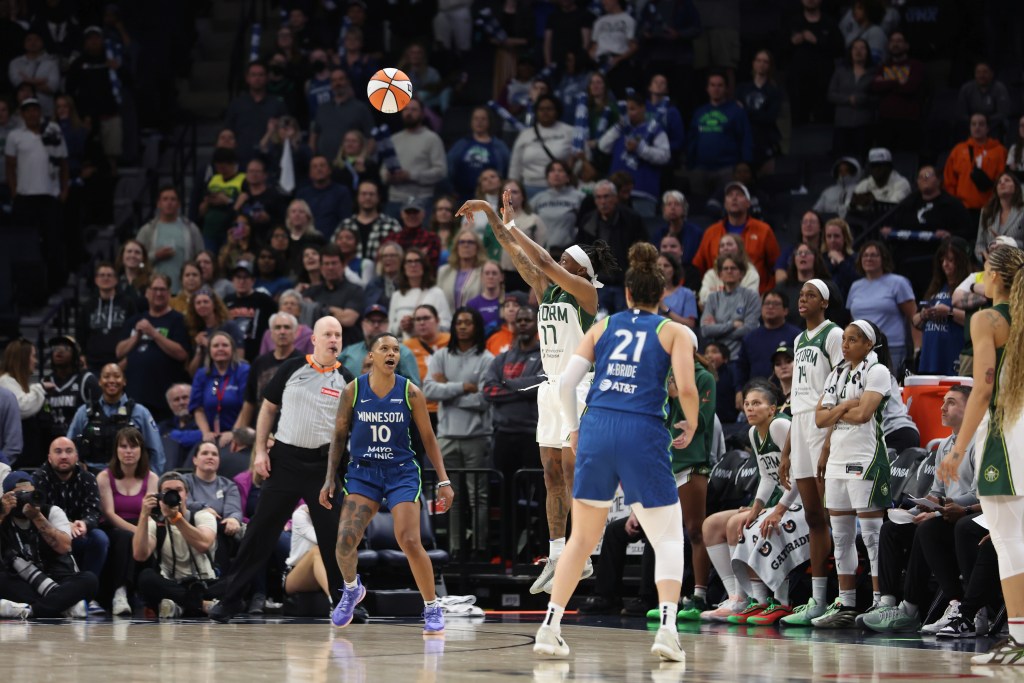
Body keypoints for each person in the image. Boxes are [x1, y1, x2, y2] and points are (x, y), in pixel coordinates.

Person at [533, 242, 698, 661]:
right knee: (668, 537)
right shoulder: (674, 331)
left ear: (625, 294)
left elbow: (568, 383)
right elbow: (688, 387)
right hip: (641, 430)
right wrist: (691, 422)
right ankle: (666, 630)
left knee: (581, 539)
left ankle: (549, 629)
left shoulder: (603, 327)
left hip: (598, 427)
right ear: (662, 296)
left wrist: (572, 429)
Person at [459, 190, 618, 594]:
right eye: (560, 259)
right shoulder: (548, 293)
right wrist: (490, 215)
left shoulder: (586, 294)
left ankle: (585, 550)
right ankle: (557, 553)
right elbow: (516, 251)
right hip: (550, 390)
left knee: (570, 470)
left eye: (566, 261)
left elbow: (542, 260)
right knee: (550, 474)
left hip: (579, 388)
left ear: (580, 271)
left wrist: (514, 225)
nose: (555, 264)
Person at [208, 318, 355, 623]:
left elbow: (349, 430)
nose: (333, 339)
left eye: (338, 335)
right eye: (327, 334)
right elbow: (268, 409)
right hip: (285, 461)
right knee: (260, 533)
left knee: (334, 538)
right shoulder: (291, 368)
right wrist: (260, 450)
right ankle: (230, 600)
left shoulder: (347, 380)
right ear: (313, 339)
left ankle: (346, 603)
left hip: (323, 468)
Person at [316, 329, 454, 633]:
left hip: (400, 472)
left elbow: (429, 440)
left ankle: (431, 606)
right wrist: (329, 479)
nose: (391, 354)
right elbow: (339, 436)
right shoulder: (352, 390)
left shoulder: (411, 392)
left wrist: (444, 480)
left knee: (409, 540)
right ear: (371, 356)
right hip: (363, 472)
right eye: (385, 349)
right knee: (344, 543)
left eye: (395, 349)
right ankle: (352, 589)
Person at [938, 245, 1024, 665]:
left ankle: (1021, 642)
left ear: (995, 277)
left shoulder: (987, 319)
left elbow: (983, 388)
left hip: (1007, 435)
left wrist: (957, 448)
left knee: (1009, 541)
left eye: (984, 271)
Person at [862, 385, 979, 634]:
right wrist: (917, 509)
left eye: (951, 402)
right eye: (943, 401)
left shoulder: (981, 442)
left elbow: (980, 494)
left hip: (967, 517)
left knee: (928, 528)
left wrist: (936, 512)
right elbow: (937, 491)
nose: (943, 407)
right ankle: (888, 603)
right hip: (946, 515)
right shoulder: (946, 445)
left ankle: (913, 608)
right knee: (892, 528)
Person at [700, 381, 802, 624]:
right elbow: (768, 477)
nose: (750, 408)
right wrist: (756, 508)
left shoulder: (780, 425)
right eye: (746, 404)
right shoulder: (753, 433)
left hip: (801, 502)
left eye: (757, 403)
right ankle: (738, 596)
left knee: (741, 523)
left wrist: (777, 510)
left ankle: (766, 600)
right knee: (712, 525)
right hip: (779, 502)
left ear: (773, 409)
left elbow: (801, 476)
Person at [811, 320, 891, 628]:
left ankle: (881, 601)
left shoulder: (877, 371)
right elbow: (820, 419)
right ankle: (846, 604)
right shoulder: (837, 372)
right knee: (841, 536)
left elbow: (864, 414)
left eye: (853, 339)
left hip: (865, 459)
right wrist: (846, 405)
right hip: (837, 461)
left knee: (872, 536)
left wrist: (840, 411)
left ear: (868, 344)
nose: (845, 345)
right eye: (843, 339)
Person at [777, 279, 844, 625]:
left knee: (831, 517)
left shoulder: (833, 335)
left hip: (822, 427)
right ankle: (817, 600)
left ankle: (841, 598)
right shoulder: (799, 339)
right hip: (800, 426)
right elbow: (798, 401)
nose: (802, 299)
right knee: (813, 518)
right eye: (800, 295)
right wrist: (787, 449)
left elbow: (839, 387)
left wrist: (829, 441)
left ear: (825, 302)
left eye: (811, 295)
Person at [422, 308, 493, 560]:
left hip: (477, 437)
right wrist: (462, 387)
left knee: (478, 497)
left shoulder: (487, 358)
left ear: (477, 327)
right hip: (447, 437)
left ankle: (480, 549)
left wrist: (448, 394)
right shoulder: (441, 355)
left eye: (468, 322)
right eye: (458, 322)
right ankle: (454, 549)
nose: (462, 326)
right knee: (451, 496)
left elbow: (484, 399)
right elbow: (428, 390)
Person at [482, 304, 543, 558]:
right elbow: (488, 391)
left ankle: (539, 552)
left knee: (539, 499)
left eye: (528, 319)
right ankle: (506, 555)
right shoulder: (501, 358)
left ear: (537, 324)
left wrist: (507, 385)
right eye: (519, 320)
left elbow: (542, 384)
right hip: (504, 436)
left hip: (533, 435)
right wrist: (521, 388)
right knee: (506, 500)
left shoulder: (545, 355)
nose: (523, 324)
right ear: (513, 325)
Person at [0, 470, 99, 619]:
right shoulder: (3, 516)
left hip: (58, 577)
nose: (25, 499)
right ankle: (65, 607)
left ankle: (31, 610)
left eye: (29, 494)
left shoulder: (52, 511)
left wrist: (37, 517)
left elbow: (64, 547)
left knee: (89, 580)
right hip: (22, 581)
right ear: (6, 497)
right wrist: (1, 514)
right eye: (19, 495)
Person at [132, 471, 221, 618]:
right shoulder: (156, 524)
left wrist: (176, 518)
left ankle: (180, 607)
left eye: (178, 490)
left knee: (237, 580)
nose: (174, 495)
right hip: (172, 585)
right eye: (167, 491)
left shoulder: (203, 516)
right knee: (146, 578)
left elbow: (203, 544)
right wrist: (143, 515)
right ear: (160, 497)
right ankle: (202, 605)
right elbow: (140, 555)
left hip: (205, 583)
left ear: (186, 494)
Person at [96, 426, 159, 616]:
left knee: (155, 536)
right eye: (123, 446)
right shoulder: (105, 477)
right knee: (125, 537)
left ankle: (151, 596)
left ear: (142, 450)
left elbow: (149, 512)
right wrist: (137, 531)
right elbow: (108, 513)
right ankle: (120, 592)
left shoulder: (152, 478)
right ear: (116, 450)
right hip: (114, 527)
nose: (128, 451)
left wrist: (142, 531)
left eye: (133, 446)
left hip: (142, 523)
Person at [31, 437, 104, 600]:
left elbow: (94, 510)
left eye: (69, 451)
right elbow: (38, 510)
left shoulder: (88, 478)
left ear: (76, 457)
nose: (64, 456)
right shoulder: (39, 478)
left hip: (79, 533)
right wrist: (65, 524)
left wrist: (85, 523)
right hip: (51, 534)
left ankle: (88, 596)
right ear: (49, 457)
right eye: (58, 452)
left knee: (100, 538)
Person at [114, 273, 190, 422]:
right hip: (135, 395)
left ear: (169, 293)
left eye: (163, 289)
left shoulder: (177, 319)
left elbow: (181, 354)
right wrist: (136, 336)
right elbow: (119, 352)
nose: (159, 293)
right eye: (155, 289)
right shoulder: (135, 320)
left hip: (164, 398)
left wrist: (153, 333)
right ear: (147, 292)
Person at [67, 363, 165, 473]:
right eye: (106, 376)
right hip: (90, 477)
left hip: (129, 477)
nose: (112, 380)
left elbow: (156, 450)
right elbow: (68, 445)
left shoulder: (140, 412)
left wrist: (154, 481)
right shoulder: (84, 412)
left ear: (124, 381)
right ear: (99, 381)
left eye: (117, 376)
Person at [692, 182, 779, 294]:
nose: (734, 198)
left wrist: (767, 294)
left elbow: (776, 267)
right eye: (730, 195)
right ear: (725, 203)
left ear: (748, 203)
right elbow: (698, 267)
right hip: (716, 298)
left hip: (756, 296)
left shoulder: (764, 230)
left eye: (739, 194)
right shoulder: (711, 232)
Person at [576, 179, 647, 313]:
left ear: (615, 198)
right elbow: (579, 252)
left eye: (606, 196)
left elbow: (641, 252)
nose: (603, 201)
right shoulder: (587, 221)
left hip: (625, 284)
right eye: (599, 197)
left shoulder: (632, 219)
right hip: (597, 285)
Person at [846, 241, 917, 370]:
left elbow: (914, 317)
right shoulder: (855, 286)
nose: (869, 258)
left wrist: (917, 349)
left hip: (892, 349)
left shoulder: (898, 282)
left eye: (874, 255)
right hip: (859, 348)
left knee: (888, 388)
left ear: (883, 259)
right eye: (865, 255)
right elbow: (852, 321)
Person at [685, 71, 753, 200]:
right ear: (707, 88)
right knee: (699, 208)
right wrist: (690, 165)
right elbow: (692, 139)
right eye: (712, 85)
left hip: (727, 169)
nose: (716, 89)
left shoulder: (736, 111)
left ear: (726, 89)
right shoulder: (699, 112)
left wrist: (745, 162)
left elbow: (745, 138)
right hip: (700, 169)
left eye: (720, 85)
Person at [183, 442, 244, 575]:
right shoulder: (184, 481)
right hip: (191, 528)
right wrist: (203, 508)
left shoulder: (229, 485)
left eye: (214, 454)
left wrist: (233, 519)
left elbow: (234, 510)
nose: (210, 457)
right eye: (205, 453)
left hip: (221, 532)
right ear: (195, 460)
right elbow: (184, 503)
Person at [598, 92, 670, 200]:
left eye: (632, 109)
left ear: (643, 108)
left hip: (642, 193)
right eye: (626, 110)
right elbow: (603, 146)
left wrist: (639, 149)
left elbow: (664, 156)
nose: (628, 113)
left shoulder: (655, 130)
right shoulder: (619, 129)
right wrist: (619, 126)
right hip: (615, 194)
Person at [915, 239, 971, 375]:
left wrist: (949, 312)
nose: (945, 264)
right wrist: (924, 314)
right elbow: (915, 321)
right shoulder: (936, 286)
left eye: (951, 260)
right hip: (929, 358)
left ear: (961, 261)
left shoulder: (968, 286)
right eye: (942, 260)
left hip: (953, 356)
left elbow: (974, 320)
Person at [382, 97, 447, 211]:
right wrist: (387, 176)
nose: (409, 112)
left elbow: (440, 172)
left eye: (413, 110)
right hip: (395, 199)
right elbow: (383, 169)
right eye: (406, 109)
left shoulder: (432, 139)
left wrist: (411, 175)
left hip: (422, 200)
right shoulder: (394, 139)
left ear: (422, 114)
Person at [136, 186, 205, 292]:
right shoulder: (147, 230)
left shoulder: (191, 229)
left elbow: (201, 259)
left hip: (185, 292)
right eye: (165, 199)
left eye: (173, 199)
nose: (169, 203)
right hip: (156, 291)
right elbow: (137, 263)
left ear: (179, 204)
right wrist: (155, 256)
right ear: (158, 204)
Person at [189, 331, 250, 449]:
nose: (220, 349)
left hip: (239, 434)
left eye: (225, 345)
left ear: (232, 349)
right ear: (209, 350)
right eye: (216, 346)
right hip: (211, 435)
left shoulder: (244, 371)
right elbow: (197, 408)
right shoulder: (202, 374)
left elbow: (247, 405)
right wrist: (206, 433)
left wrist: (234, 432)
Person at [508, 94, 575, 197]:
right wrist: (512, 189)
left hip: (561, 188)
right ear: (536, 112)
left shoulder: (570, 131)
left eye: (549, 109)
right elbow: (515, 165)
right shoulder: (525, 134)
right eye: (541, 109)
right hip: (529, 188)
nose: (545, 112)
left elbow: (580, 158)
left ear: (557, 111)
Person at [734, 290, 802, 389]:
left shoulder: (797, 336)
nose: (770, 307)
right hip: (757, 393)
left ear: (785, 311)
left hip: (791, 391)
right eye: (767, 303)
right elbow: (741, 367)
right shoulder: (750, 338)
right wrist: (739, 390)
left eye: (776, 304)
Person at [223, 61, 288, 165]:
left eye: (261, 75)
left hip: (270, 160)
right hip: (241, 159)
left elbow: (285, 132)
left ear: (267, 78)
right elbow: (228, 131)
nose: (257, 78)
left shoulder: (277, 104)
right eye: (253, 75)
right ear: (247, 78)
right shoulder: (237, 104)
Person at [943, 113, 1008, 214]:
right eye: (973, 124)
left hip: (991, 209)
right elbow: (949, 181)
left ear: (987, 128)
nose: (977, 127)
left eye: (981, 124)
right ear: (969, 127)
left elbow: (1003, 180)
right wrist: (954, 205)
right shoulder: (958, 150)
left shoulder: (1000, 151)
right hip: (963, 208)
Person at [338, 305, 421, 384]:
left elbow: (414, 389)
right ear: (363, 324)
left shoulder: (403, 352)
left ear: (388, 324)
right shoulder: (349, 351)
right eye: (371, 321)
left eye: (381, 321)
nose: (376, 325)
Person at [78, 262, 137, 372]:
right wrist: (82, 357)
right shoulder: (87, 306)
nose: (106, 278)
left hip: (120, 363)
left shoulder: (128, 303)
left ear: (116, 280)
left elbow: (134, 333)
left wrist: (127, 360)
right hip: (92, 365)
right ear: (96, 280)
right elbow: (81, 335)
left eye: (109, 275)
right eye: (102, 275)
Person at [700, 254, 761, 359]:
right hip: (717, 360)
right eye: (725, 269)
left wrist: (717, 332)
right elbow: (705, 330)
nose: (729, 271)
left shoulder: (751, 296)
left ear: (741, 273)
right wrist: (732, 325)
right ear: (720, 275)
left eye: (733, 268)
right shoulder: (712, 298)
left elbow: (750, 329)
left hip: (740, 357)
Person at [39, 336, 98, 444]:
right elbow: (45, 408)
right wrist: (47, 410)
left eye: (65, 348)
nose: (59, 351)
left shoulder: (86, 380)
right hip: (51, 441)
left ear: (75, 354)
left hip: (79, 441)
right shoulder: (45, 381)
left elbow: (96, 418)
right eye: (55, 348)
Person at [304, 244, 365, 347]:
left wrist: (318, 309)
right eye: (326, 264)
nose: (330, 267)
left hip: (347, 349)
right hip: (319, 350)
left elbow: (348, 320)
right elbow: (304, 318)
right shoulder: (312, 291)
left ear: (343, 265)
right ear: (321, 267)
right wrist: (336, 312)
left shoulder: (355, 290)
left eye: (334, 263)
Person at [309, 69, 375, 163]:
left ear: (348, 82)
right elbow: (313, 137)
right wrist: (313, 159)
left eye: (341, 79)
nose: (337, 83)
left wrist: (363, 158)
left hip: (352, 165)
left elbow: (371, 139)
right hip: (326, 166)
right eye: (334, 80)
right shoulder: (322, 109)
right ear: (331, 84)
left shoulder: (360, 108)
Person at [447, 107, 511, 201]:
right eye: (476, 118)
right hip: (462, 196)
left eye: (483, 119)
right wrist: (450, 190)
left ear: (489, 122)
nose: (479, 122)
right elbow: (449, 167)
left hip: (490, 197)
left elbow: (506, 171)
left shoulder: (499, 147)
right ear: (471, 122)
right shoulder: (461, 144)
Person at [0, 339, 46, 466]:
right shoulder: (5, 383)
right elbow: (23, 408)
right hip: (15, 464)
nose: (35, 361)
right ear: (23, 358)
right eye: (33, 356)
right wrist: (40, 388)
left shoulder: (18, 384)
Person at [827, 38, 876, 159]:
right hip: (842, 123)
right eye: (855, 48)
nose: (858, 51)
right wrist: (848, 99)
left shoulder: (874, 73)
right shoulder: (841, 71)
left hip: (864, 123)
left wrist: (863, 99)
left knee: (862, 158)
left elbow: (877, 97)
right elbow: (831, 94)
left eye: (862, 48)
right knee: (841, 159)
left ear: (867, 52)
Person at [735, 50, 783, 172]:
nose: (761, 64)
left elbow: (769, 118)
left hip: (765, 141)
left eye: (765, 62)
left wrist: (746, 110)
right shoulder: (742, 88)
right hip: (744, 141)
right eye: (759, 61)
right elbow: (736, 114)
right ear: (753, 63)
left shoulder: (774, 91)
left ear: (770, 66)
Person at [388, 247, 450, 338]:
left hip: (429, 347)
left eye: (417, 261)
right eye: (409, 261)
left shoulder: (437, 293)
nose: (413, 265)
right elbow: (389, 329)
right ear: (403, 267)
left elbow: (447, 326)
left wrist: (424, 324)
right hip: (403, 348)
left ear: (424, 266)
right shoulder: (397, 295)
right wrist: (402, 325)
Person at [337, 181, 402, 263]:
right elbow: (334, 251)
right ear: (357, 197)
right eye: (364, 194)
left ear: (378, 197)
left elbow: (399, 253)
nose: (368, 197)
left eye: (371, 194)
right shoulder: (345, 225)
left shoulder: (391, 225)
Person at [224, 261, 277, 361]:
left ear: (253, 280)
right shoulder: (226, 301)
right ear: (232, 280)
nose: (241, 281)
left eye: (245, 277)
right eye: (238, 277)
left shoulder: (265, 300)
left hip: (257, 355)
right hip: (230, 354)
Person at [530, 160, 585, 253]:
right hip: (543, 251)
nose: (556, 174)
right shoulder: (538, 199)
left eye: (560, 170)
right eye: (552, 171)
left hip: (570, 251)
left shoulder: (580, 197)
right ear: (547, 177)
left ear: (568, 177)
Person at [296, 156, 353, 240]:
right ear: (310, 173)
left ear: (329, 170)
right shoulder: (302, 194)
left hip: (332, 243)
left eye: (322, 165)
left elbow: (345, 221)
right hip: (306, 242)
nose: (319, 169)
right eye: (315, 167)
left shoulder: (341, 192)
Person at [974, 172, 1024, 263]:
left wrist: (1009, 244)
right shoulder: (986, 212)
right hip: (991, 266)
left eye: (1007, 180)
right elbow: (979, 244)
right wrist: (986, 257)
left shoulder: (1022, 212)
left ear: (1016, 187)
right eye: (999, 182)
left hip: (1017, 265)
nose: (1002, 183)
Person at [847, 147, 912, 214]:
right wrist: (853, 204)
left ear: (889, 167)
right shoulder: (865, 183)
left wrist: (873, 202)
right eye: (873, 166)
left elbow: (893, 210)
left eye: (880, 165)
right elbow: (848, 205)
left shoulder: (902, 183)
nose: (876, 169)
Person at [160, 384, 201, 472]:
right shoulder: (164, 426)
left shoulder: (205, 423)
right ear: (170, 405)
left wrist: (173, 435)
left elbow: (205, 436)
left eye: (185, 397)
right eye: (176, 399)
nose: (181, 402)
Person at [657, 253, 697, 329]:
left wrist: (665, 309)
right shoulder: (647, 292)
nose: (661, 269)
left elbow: (690, 324)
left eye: (666, 266)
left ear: (674, 270)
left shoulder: (686, 294)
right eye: (658, 265)